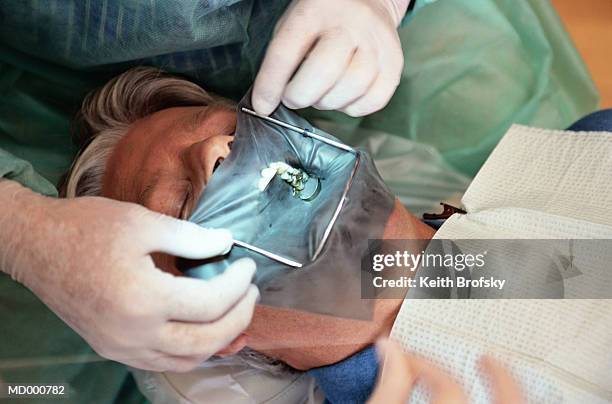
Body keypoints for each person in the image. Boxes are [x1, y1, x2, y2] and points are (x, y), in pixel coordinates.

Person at [0, 0, 414, 383]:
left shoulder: (470, 260)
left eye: (234, 129)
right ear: (204, 331)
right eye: (181, 204)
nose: (219, 150)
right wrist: (20, 230)